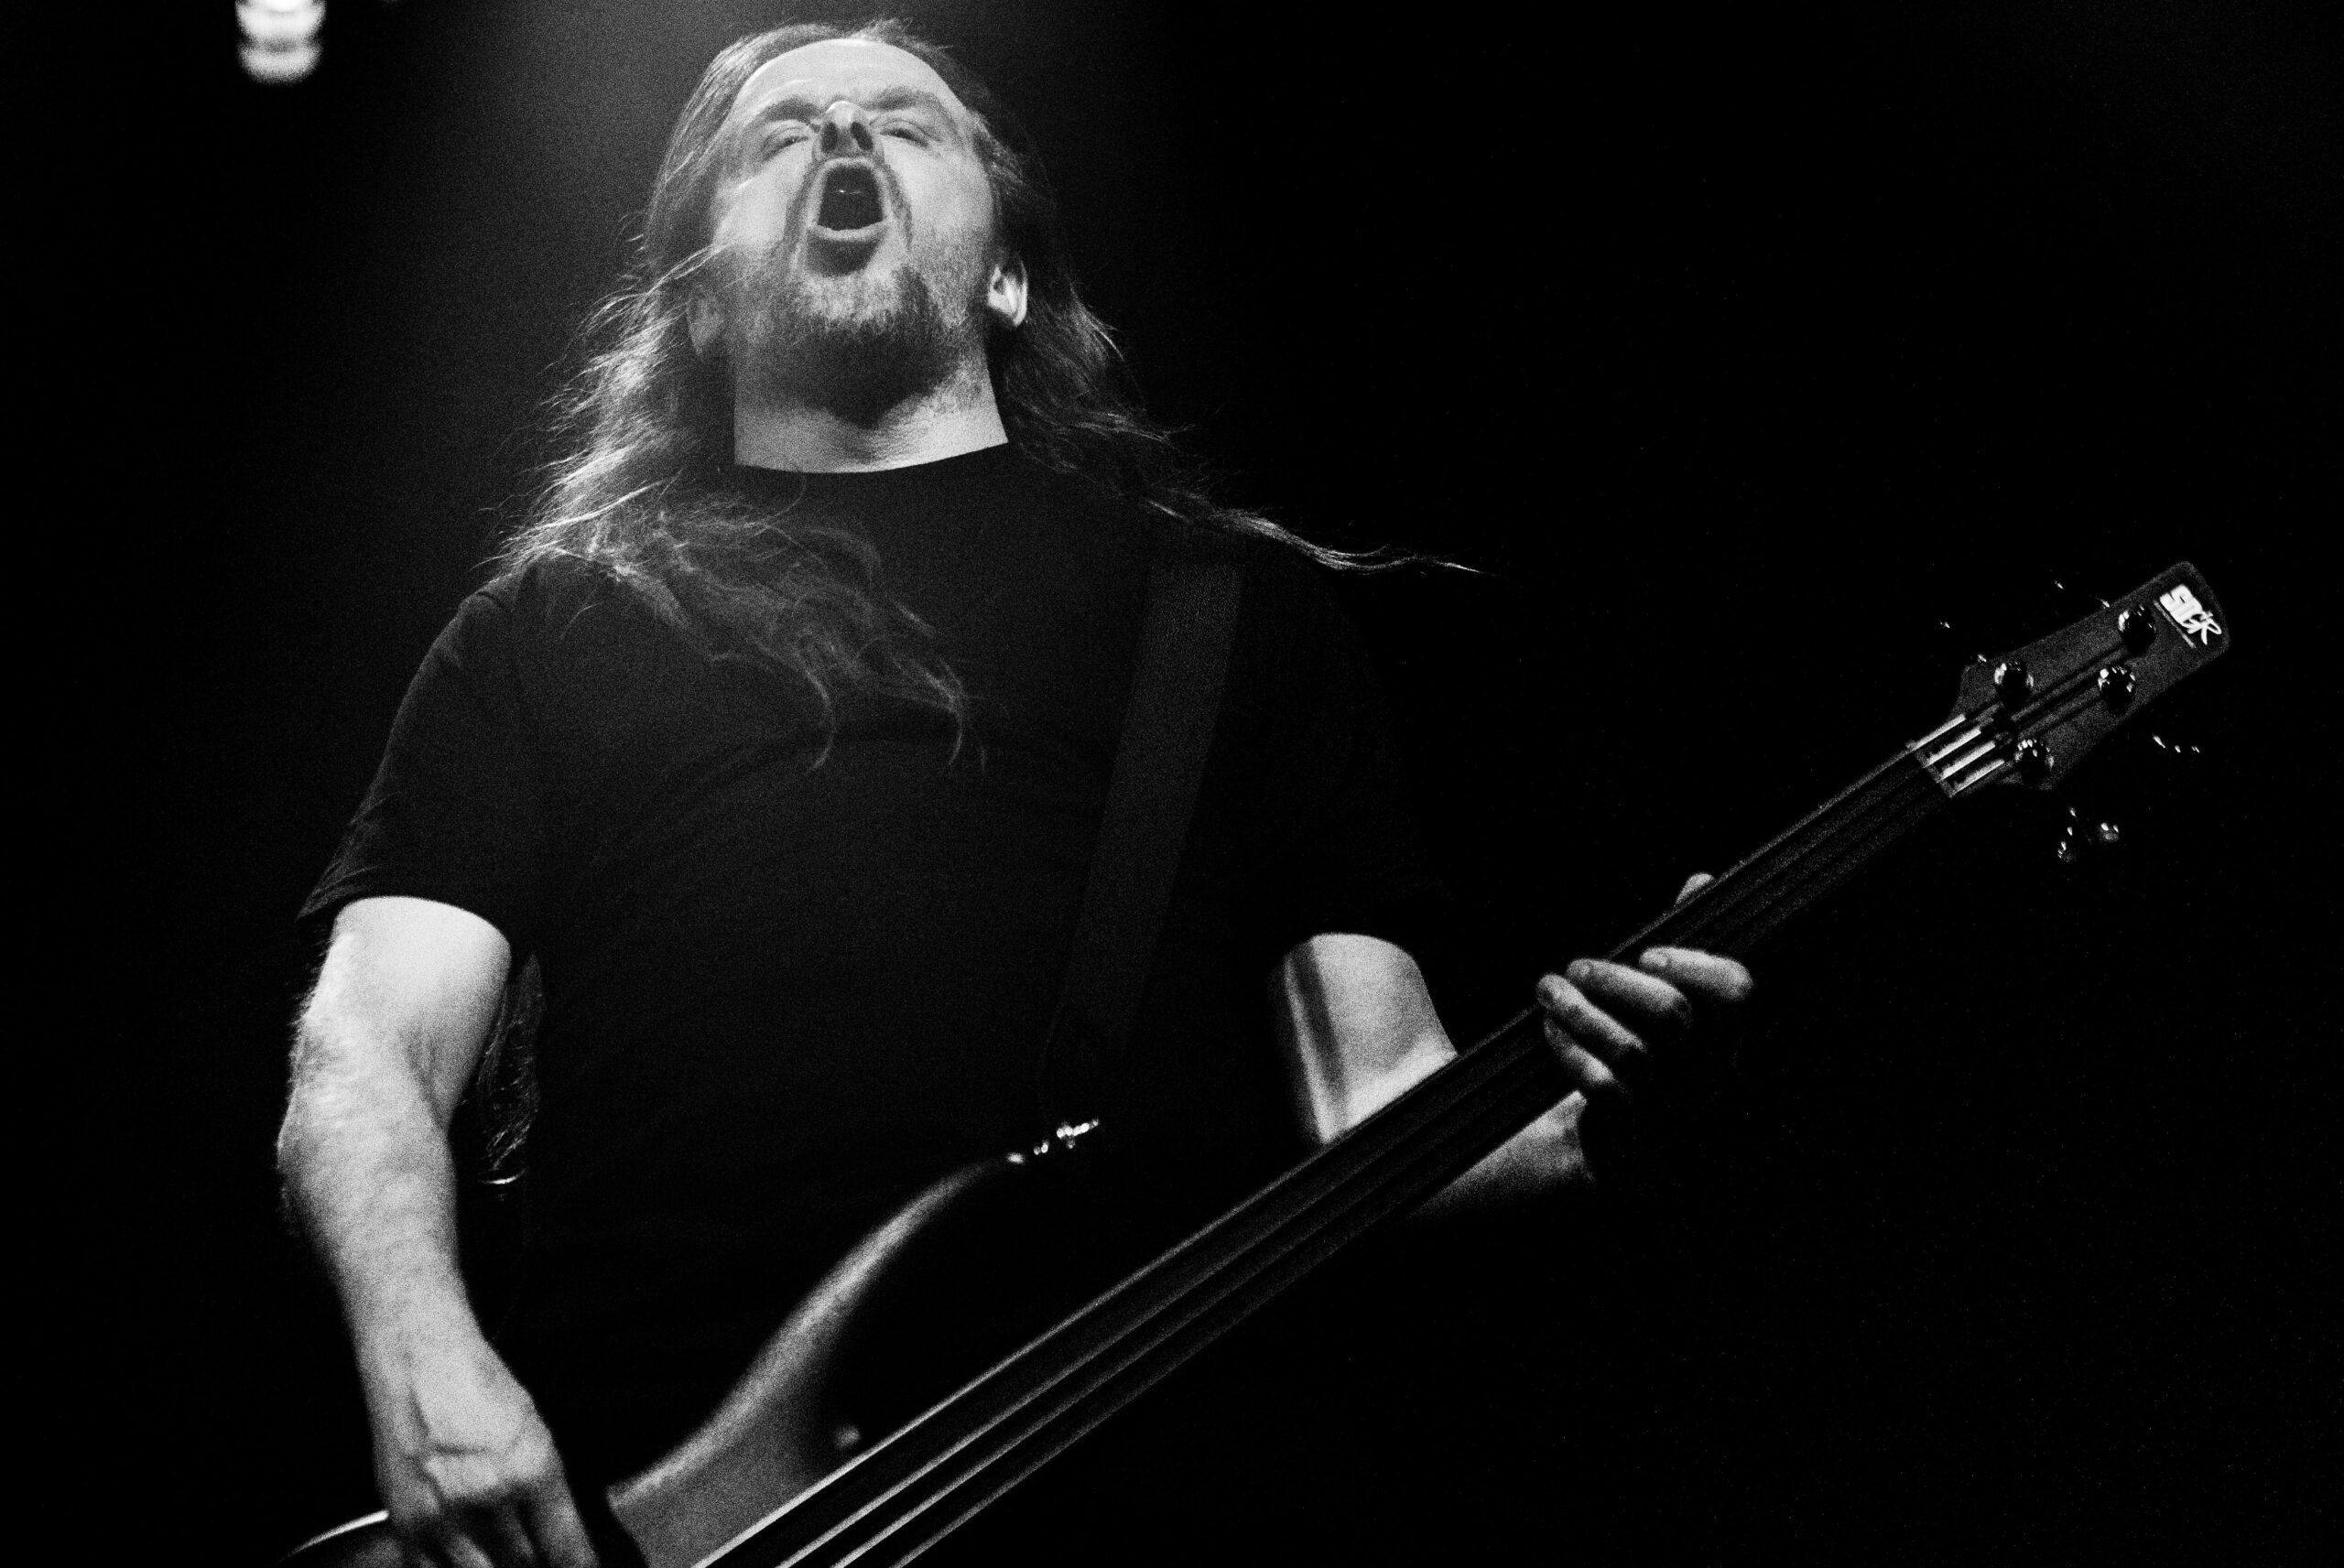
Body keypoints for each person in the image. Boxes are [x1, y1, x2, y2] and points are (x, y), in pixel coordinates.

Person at [276, 20, 1753, 1568]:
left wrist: (1596, 1122)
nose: (843, 135)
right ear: (699, 304)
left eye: (906, 123)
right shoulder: (554, 628)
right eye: (778, 135)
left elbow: (1377, 1104)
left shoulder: (1217, 612)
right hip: (652, 1506)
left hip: (1130, 1475)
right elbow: (367, 1048)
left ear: (1007, 277)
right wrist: (425, 1365)